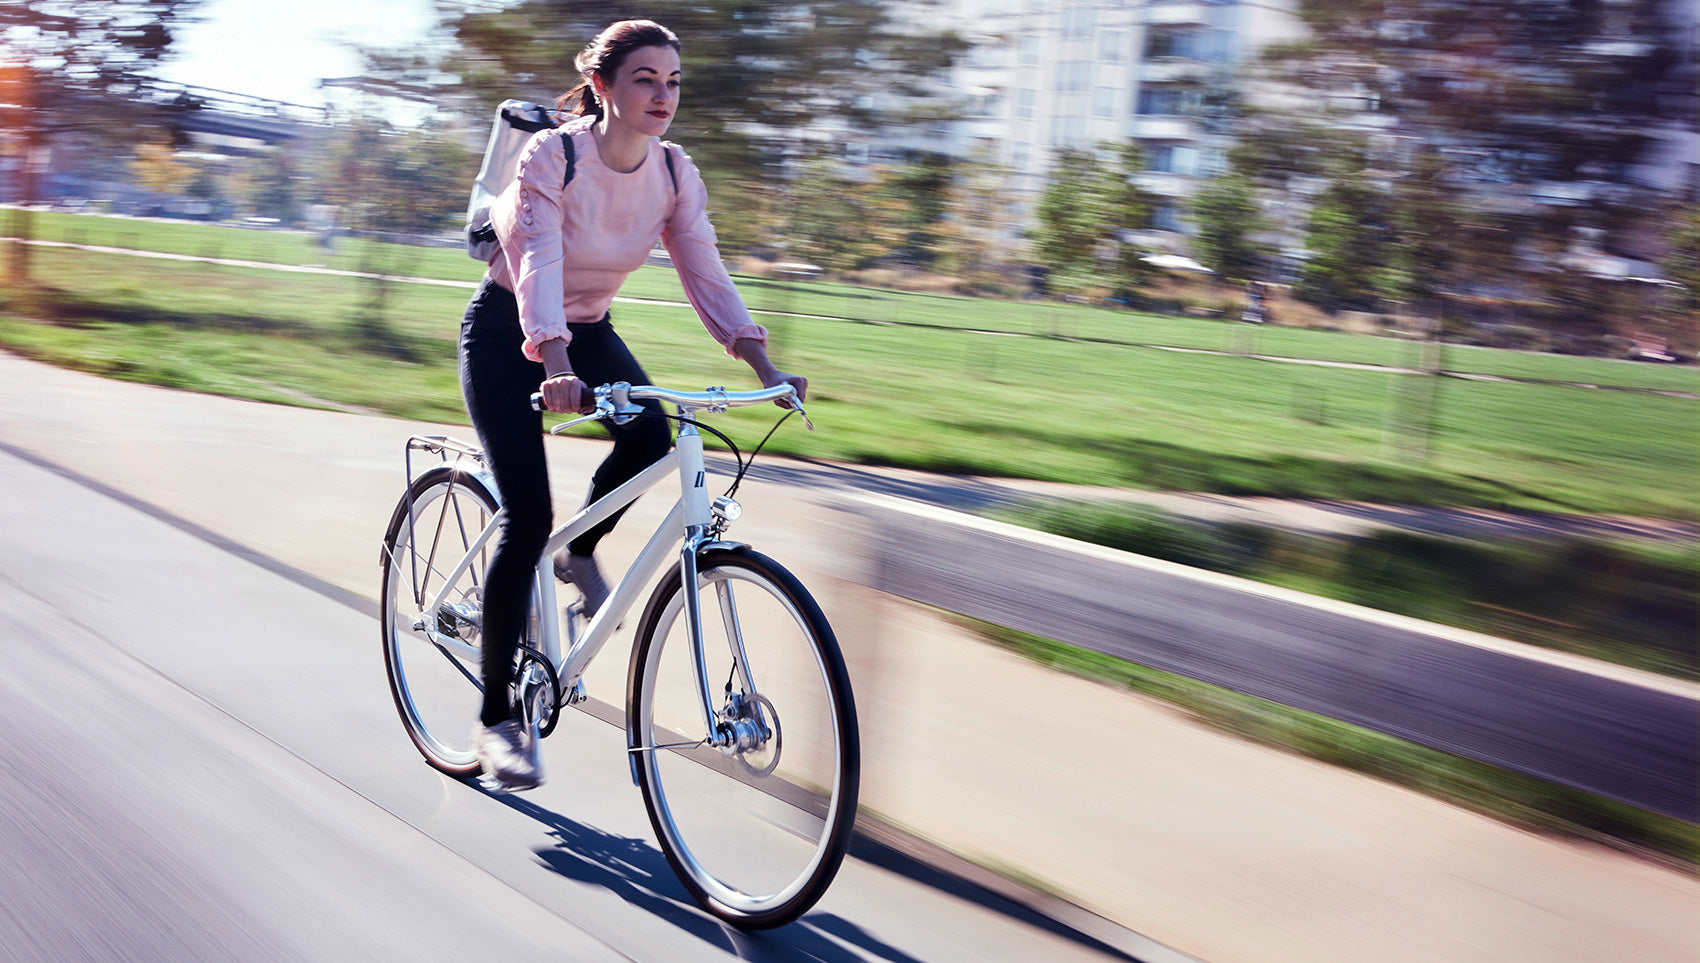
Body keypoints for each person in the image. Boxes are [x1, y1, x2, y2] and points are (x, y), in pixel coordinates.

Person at [459, 19, 807, 790]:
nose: (663, 95)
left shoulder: (676, 175)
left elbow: (706, 271)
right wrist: (551, 360)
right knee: (527, 513)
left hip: (588, 330)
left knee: (652, 436)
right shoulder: (555, 155)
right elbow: (540, 256)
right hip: (507, 329)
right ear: (604, 88)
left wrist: (764, 365)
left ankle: (582, 553)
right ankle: (497, 722)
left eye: (673, 81)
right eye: (645, 79)